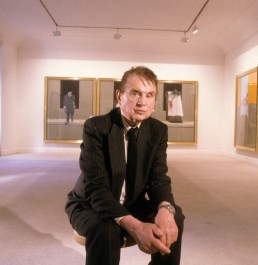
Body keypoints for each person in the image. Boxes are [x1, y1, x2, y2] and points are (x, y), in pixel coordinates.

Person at [65, 66, 184, 265]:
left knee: (174, 216)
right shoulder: (96, 127)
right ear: (119, 96)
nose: (142, 102)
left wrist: (165, 208)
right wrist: (137, 227)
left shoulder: (158, 130)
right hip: (90, 204)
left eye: (149, 95)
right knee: (106, 229)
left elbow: (158, 179)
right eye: (135, 93)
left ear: (155, 101)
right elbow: (96, 190)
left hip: (131, 202)